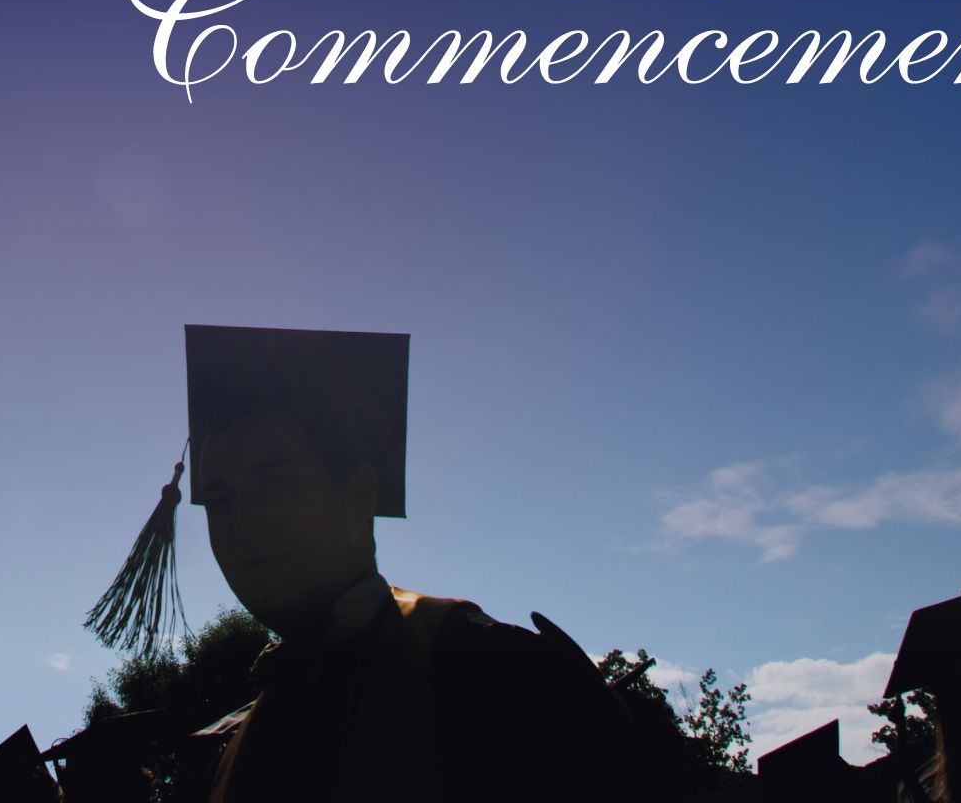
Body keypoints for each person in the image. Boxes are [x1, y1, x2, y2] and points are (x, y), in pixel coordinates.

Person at [154, 326, 666, 802]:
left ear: (358, 497)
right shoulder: (233, 749)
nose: (242, 522)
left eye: (275, 486)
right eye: (222, 501)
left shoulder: (506, 683)